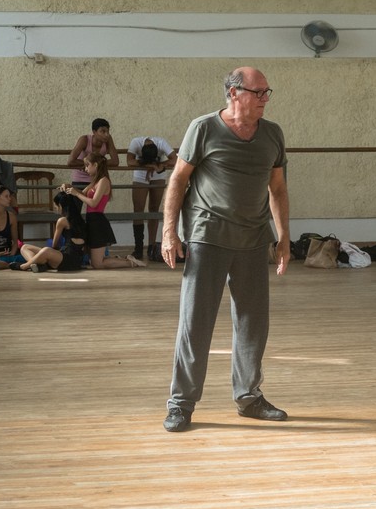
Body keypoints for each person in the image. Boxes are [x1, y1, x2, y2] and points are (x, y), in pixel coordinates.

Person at [161, 66, 291, 433]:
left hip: (253, 239)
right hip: (208, 236)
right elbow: (178, 180)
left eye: (267, 92)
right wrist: (169, 232)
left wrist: (283, 237)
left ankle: (249, 398)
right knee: (195, 324)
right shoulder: (203, 128)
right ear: (234, 93)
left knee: (253, 324)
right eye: (258, 92)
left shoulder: (272, 134)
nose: (265, 99)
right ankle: (181, 404)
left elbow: (278, 188)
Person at [60, 153, 145, 269]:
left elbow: (93, 203)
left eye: (87, 165)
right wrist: (68, 186)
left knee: (98, 264)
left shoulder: (104, 181)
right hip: (91, 220)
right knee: (94, 262)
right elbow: (81, 193)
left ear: (95, 165)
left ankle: (130, 262)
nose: (85, 169)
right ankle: (122, 259)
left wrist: (76, 194)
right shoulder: (95, 182)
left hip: (98, 222)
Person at [126, 135, 178, 261]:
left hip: (158, 174)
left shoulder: (161, 142)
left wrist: (158, 164)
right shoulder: (136, 142)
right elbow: (129, 161)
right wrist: (149, 165)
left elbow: (175, 159)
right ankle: (138, 247)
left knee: (154, 209)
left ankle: (151, 246)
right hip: (140, 174)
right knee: (138, 210)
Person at [15, 192, 87, 273]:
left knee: (46, 250)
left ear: (60, 206)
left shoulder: (62, 221)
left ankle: (24, 266)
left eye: (56, 206)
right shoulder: (81, 221)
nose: (56, 209)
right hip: (77, 260)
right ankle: (37, 266)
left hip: (66, 258)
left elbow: (54, 244)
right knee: (25, 247)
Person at [67, 118, 120, 189]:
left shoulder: (108, 140)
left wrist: (94, 164)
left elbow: (115, 161)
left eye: (108, 131)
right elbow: (70, 161)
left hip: (97, 179)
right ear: (94, 132)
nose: (106, 134)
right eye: (103, 131)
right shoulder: (84, 140)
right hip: (80, 179)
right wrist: (95, 164)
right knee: (78, 196)